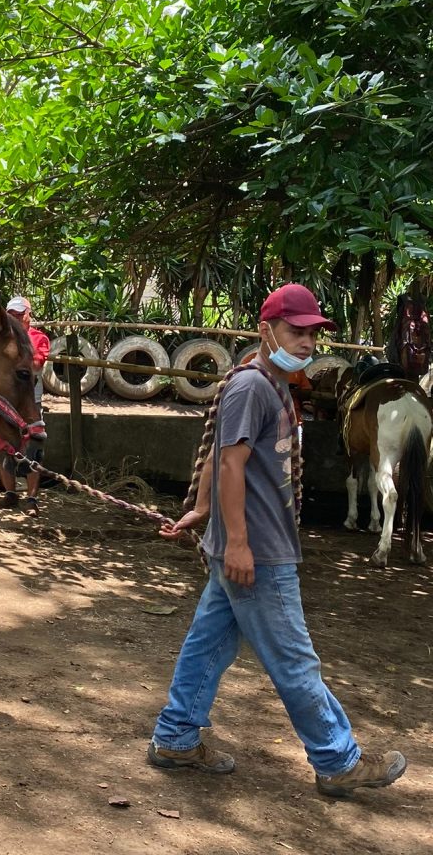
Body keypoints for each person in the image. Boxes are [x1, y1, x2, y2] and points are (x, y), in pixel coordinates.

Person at [148, 284, 407, 798]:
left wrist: (202, 512)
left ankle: (176, 737)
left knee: (208, 647)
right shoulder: (252, 387)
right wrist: (239, 543)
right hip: (258, 553)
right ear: (266, 331)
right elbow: (229, 462)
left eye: (313, 332)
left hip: (245, 547)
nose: (308, 341)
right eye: (297, 331)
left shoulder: (270, 383)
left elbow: (222, 454)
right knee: (294, 659)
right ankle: (337, 759)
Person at [0, 296, 51, 513]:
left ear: (29, 314)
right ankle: (10, 494)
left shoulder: (38, 338)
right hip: (4, 401)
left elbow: (36, 364)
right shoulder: (0, 338)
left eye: (19, 314)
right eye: (11, 314)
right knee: (0, 447)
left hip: (28, 402)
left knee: (33, 449)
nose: (15, 318)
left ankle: (32, 499)